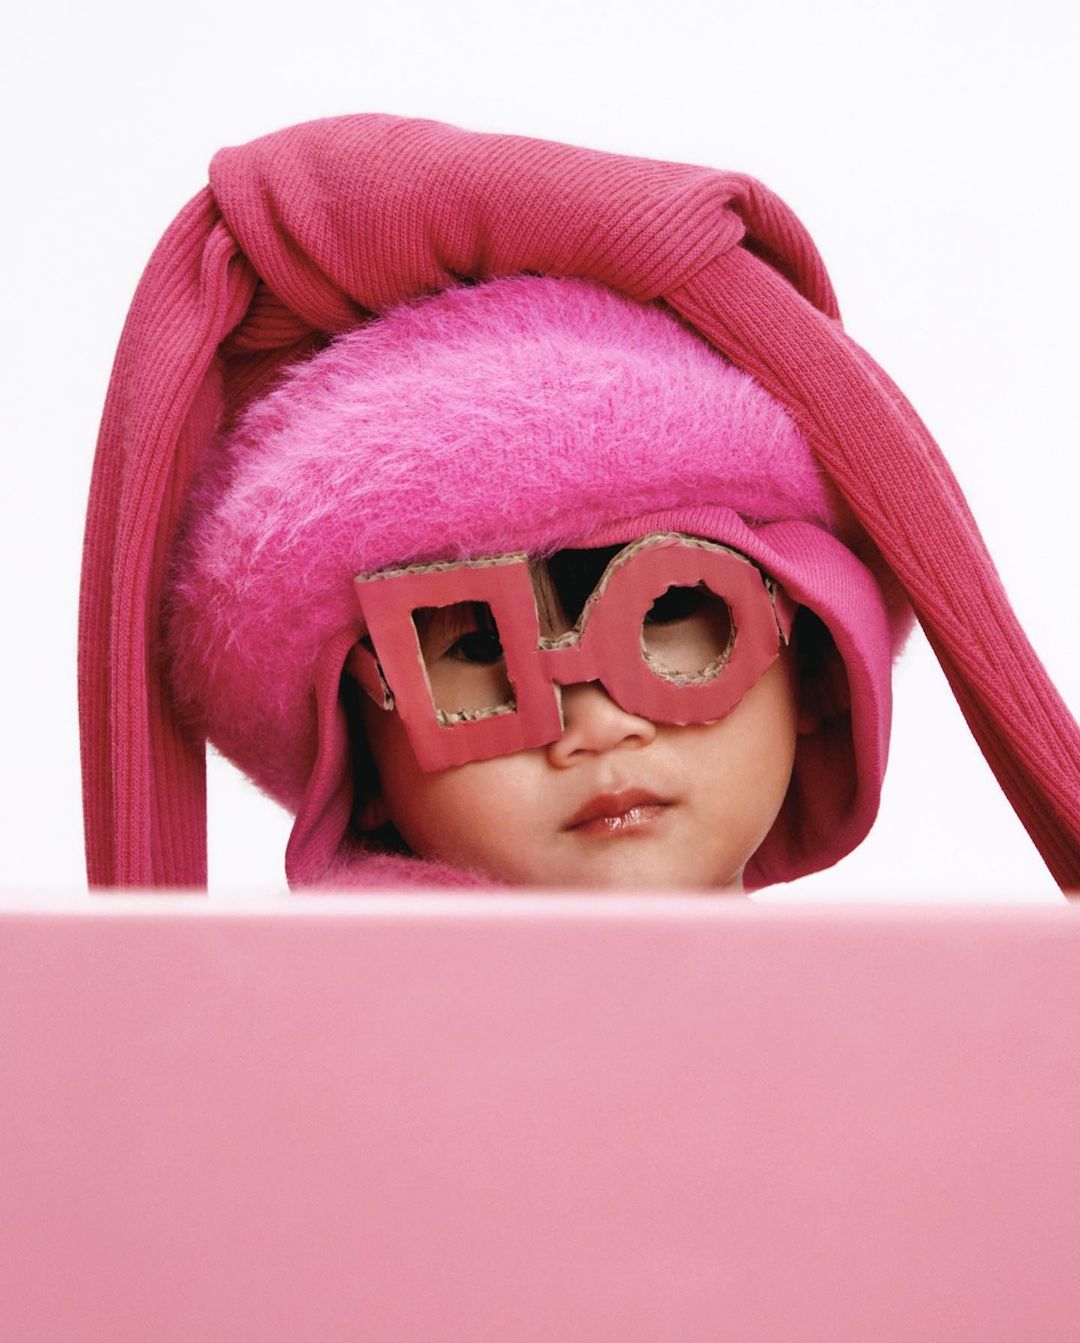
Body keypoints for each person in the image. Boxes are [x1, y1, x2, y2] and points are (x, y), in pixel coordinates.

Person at [78, 113, 1080, 893]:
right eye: (479, 646)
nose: (595, 725)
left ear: (815, 670)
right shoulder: (314, 1059)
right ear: (365, 770)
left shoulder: (925, 1041)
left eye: (672, 605)